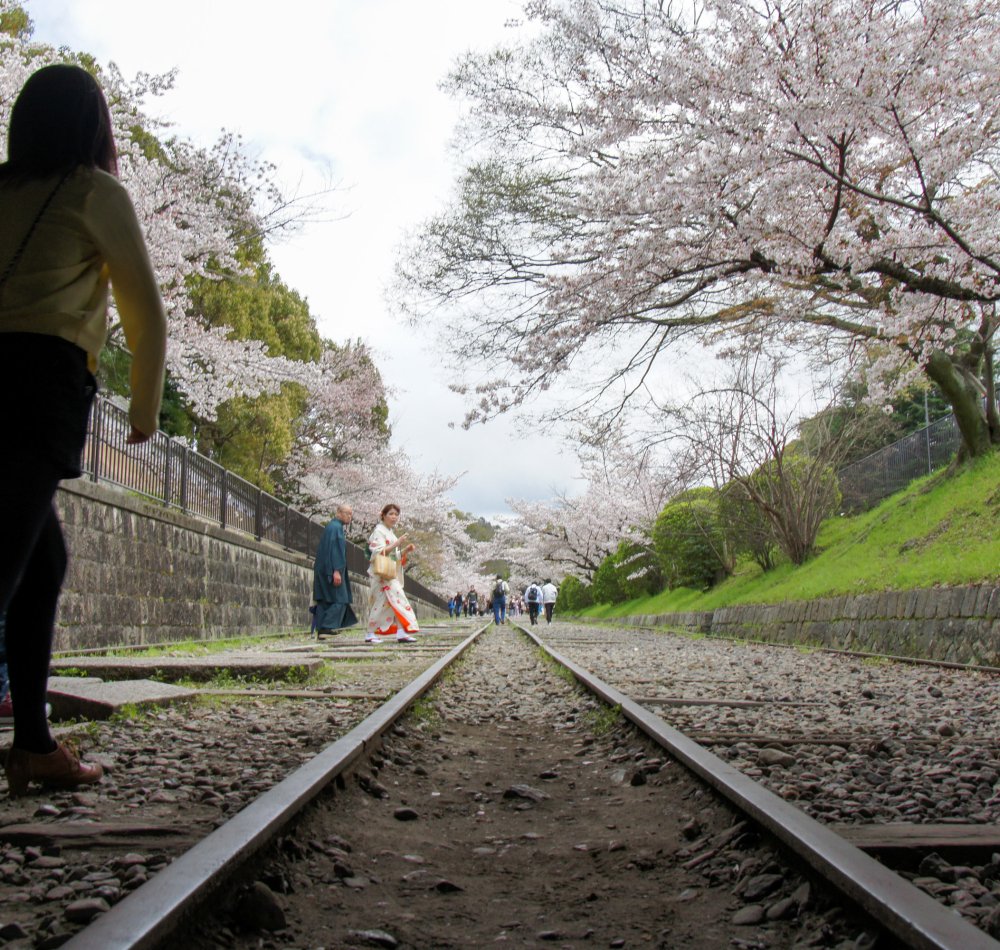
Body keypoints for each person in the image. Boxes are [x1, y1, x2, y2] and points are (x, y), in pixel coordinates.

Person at [0, 65, 167, 797]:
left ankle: (34, 746)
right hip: (40, 381)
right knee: (6, 566)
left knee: (41, 564)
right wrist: (145, 410)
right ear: (93, 126)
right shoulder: (93, 191)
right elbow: (146, 310)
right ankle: (31, 745)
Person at [366, 504, 419, 643]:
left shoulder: (389, 532)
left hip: (389, 574)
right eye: (391, 514)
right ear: (383, 515)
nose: (394, 517)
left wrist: (405, 550)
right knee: (381, 603)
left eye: (396, 514)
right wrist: (398, 543)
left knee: (397, 601)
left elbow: (393, 556)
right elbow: (379, 552)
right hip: (380, 574)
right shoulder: (379, 531)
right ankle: (370, 633)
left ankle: (401, 631)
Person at [313, 503, 357, 637]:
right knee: (340, 599)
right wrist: (337, 571)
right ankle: (327, 626)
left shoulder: (331, 527)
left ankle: (322, 628)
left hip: (323, 568)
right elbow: (335, 551)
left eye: (351, 514)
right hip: (331, 570)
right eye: (347, 513)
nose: (349, 517)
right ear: (339, 513)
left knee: (326, 599)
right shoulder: (336, 528)